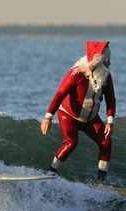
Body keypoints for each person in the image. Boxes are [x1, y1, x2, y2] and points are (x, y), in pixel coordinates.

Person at [40, 41, 116, 182]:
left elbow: (111, 99)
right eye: (106, 60)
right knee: (71, 142)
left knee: (106, 141)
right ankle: (51, 173)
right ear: (97, 61)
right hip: (68, 115)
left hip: (91, 118)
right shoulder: (77, 73)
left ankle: (101, 181)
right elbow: (60, 94)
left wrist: (110, 122)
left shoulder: (106, 76)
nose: (109, 62)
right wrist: (48, 117)